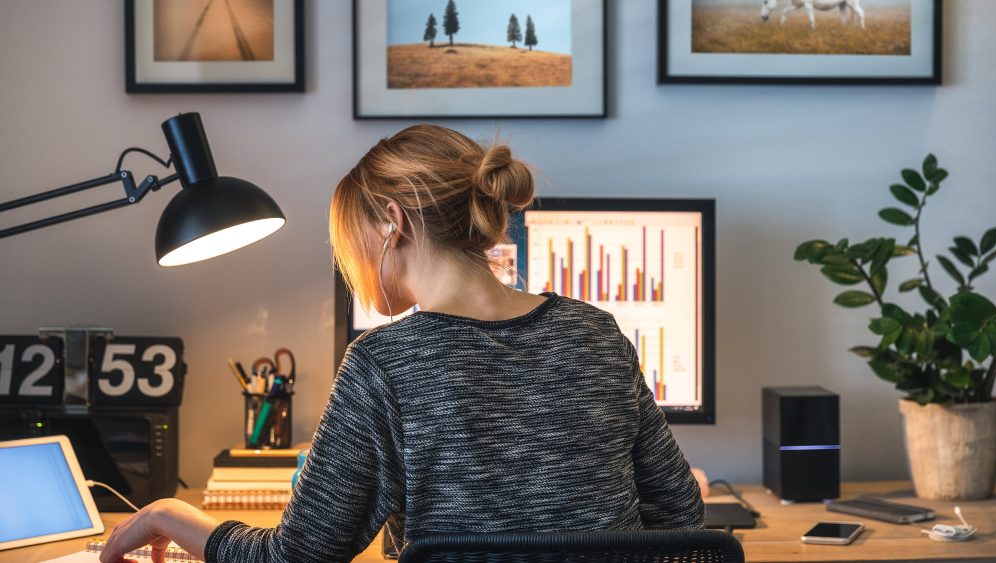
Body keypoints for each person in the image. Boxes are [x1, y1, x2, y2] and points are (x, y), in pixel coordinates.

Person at [100, 125, 705, 563]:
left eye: (349, 244)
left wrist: (167, 514)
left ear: (394, 221)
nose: (351, 266)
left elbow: (296, 559)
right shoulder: (594, 331)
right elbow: (681, 515)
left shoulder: (383, 365)